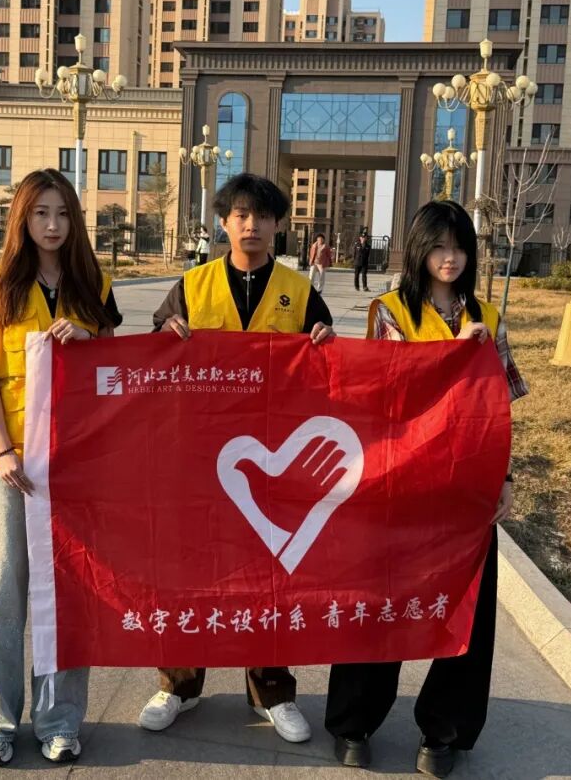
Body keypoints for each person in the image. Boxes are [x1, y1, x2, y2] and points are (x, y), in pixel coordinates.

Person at [324, 199, 528, 776]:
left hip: (465, 487)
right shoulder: (389, 312)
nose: (450, 258)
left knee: (465, 607)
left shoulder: (488, 317)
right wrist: (452, 353)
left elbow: (499, 409)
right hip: (399, 483)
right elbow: (381, 398)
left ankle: (444, 729)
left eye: (459, 247)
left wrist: (504, 478)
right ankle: (354, 720)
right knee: (380, 601)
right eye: (438, 246)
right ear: (418, 250)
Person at [144, 172, 336, 744]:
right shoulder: (193, 285)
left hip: (272, 456)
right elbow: (154, 355)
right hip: (200, 457)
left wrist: (324, 340)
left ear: (278, 224)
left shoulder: (298, 290)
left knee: (269, 574)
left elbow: (327, 364)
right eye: (241, 215)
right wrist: (166, 331)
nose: (251, 225)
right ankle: (178, 685)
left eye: (262, 216)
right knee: (191, 569)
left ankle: (273, 691)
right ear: (224, 222)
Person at [0, 168, 122, 767]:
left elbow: (116, 371)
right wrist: (3, 450)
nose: (52, 226)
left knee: (67, 592)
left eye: (62, 214)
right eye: (40, 213)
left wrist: (88, 337)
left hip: (74, 463)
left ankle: (59, 719)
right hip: (8, 463)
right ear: (22, 219)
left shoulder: (94, 286)